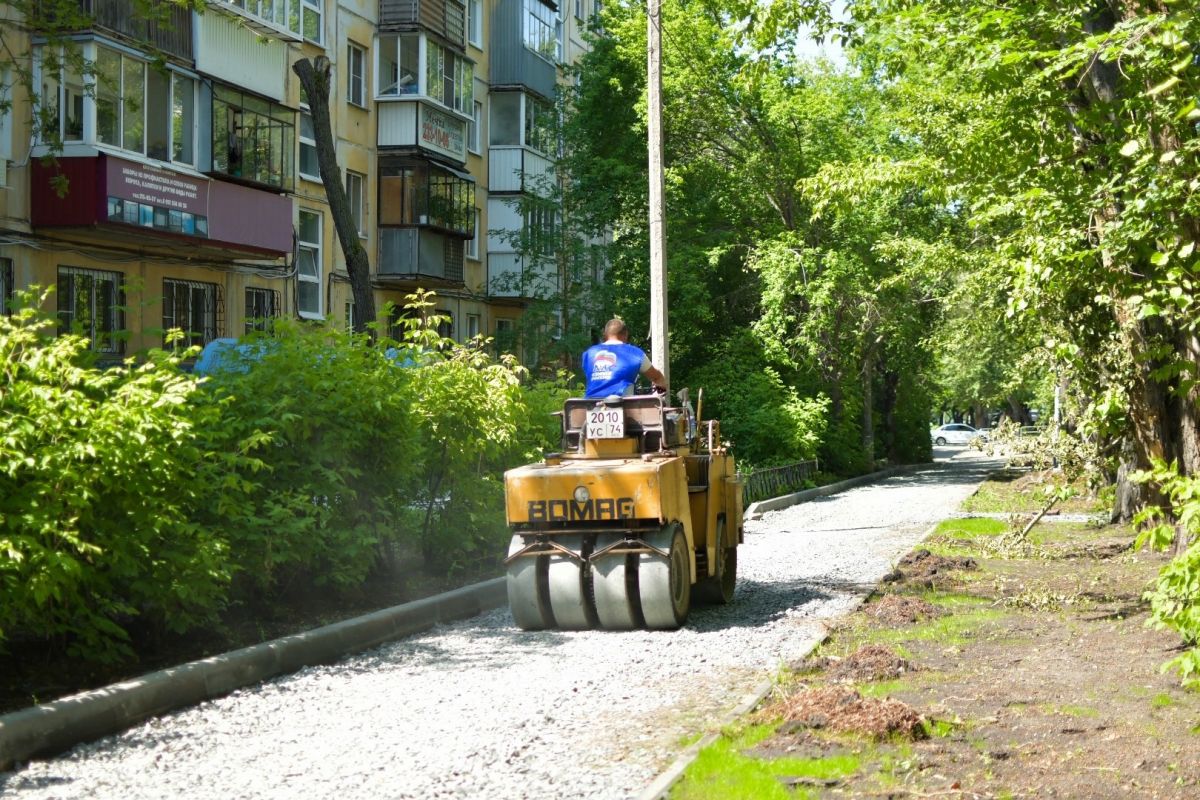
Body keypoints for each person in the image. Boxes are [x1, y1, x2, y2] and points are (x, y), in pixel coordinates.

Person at [582, 319, 668, 398]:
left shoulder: (588, 353)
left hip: (589, 406)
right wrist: (662, 388)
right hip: (624, 407)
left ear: (605, 334)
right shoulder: (635, 353)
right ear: (626, 335)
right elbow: (657, 377)